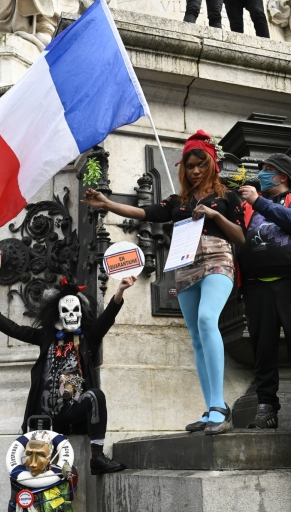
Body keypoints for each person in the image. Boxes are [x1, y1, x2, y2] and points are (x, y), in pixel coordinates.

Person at [83, 130, 246, 435]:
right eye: (190, 166)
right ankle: (212, 407)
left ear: (211, 164)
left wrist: (213, 214)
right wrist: (107, 204)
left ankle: (221, 408)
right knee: (196, 337)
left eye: (200, 165)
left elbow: (239, 237)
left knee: (208, 320)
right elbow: (144, 211)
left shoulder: (227, 196)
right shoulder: (178, 201)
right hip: (184, 267)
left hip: (217, 261)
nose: (195, 171)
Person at [0, 275, 137, 474]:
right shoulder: (46, 337)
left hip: (70, 411)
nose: (71, 315)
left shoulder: (88, 339)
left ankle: (97, 457)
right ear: (57, 314)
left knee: (96, 396)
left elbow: (107, 318)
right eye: (66, 311)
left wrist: (120, 291)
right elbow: (16, 330)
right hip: (43, 415)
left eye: (75, 310)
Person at [239, 154, 291, 430]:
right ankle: (266, 407)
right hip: (256, 286)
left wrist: (257, 201)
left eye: (267, 170)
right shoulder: (248, 207)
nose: (261, 174)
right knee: (263, 349)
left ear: (283, 176)